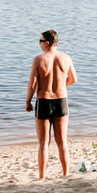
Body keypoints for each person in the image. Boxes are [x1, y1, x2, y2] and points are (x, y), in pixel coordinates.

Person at [25, 30, 77, 180]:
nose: (39, 43)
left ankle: (41, 177)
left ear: (46, 43)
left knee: (43, 143)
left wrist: (28, 101)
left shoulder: (39, 60)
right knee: (62, 141)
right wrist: (61, 85)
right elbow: (73, 79)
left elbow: (32, 85)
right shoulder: (66, 58)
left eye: (40, 41)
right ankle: (66, 174)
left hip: (44, 101)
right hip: (61, 101)